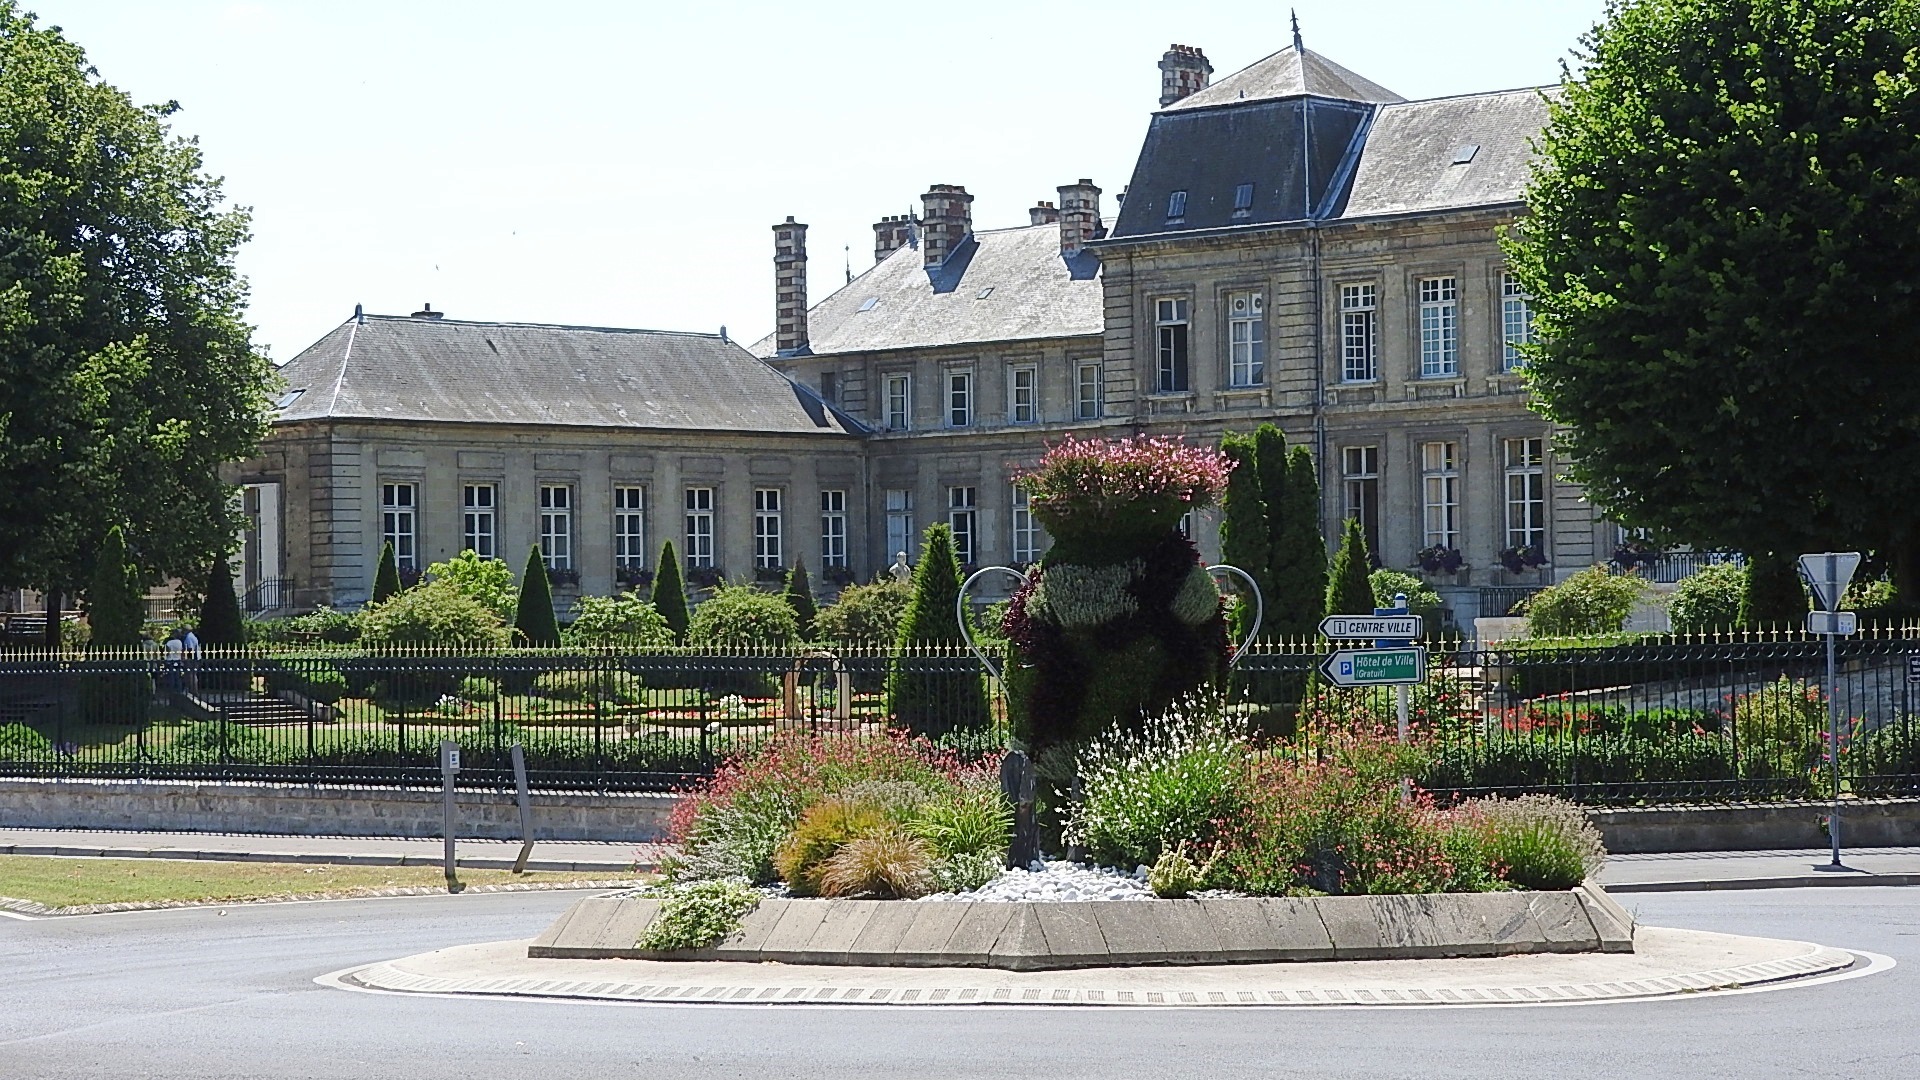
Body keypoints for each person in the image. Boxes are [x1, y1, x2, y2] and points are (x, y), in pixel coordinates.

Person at [181, 625, 201, 693]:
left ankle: (193, 691)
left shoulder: (189, 637)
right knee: (192, 675)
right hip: (195, 657)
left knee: (191, 675)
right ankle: (193, 690)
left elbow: (190, 648)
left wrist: (186, 658)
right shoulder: (192, 636)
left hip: (192, 658)